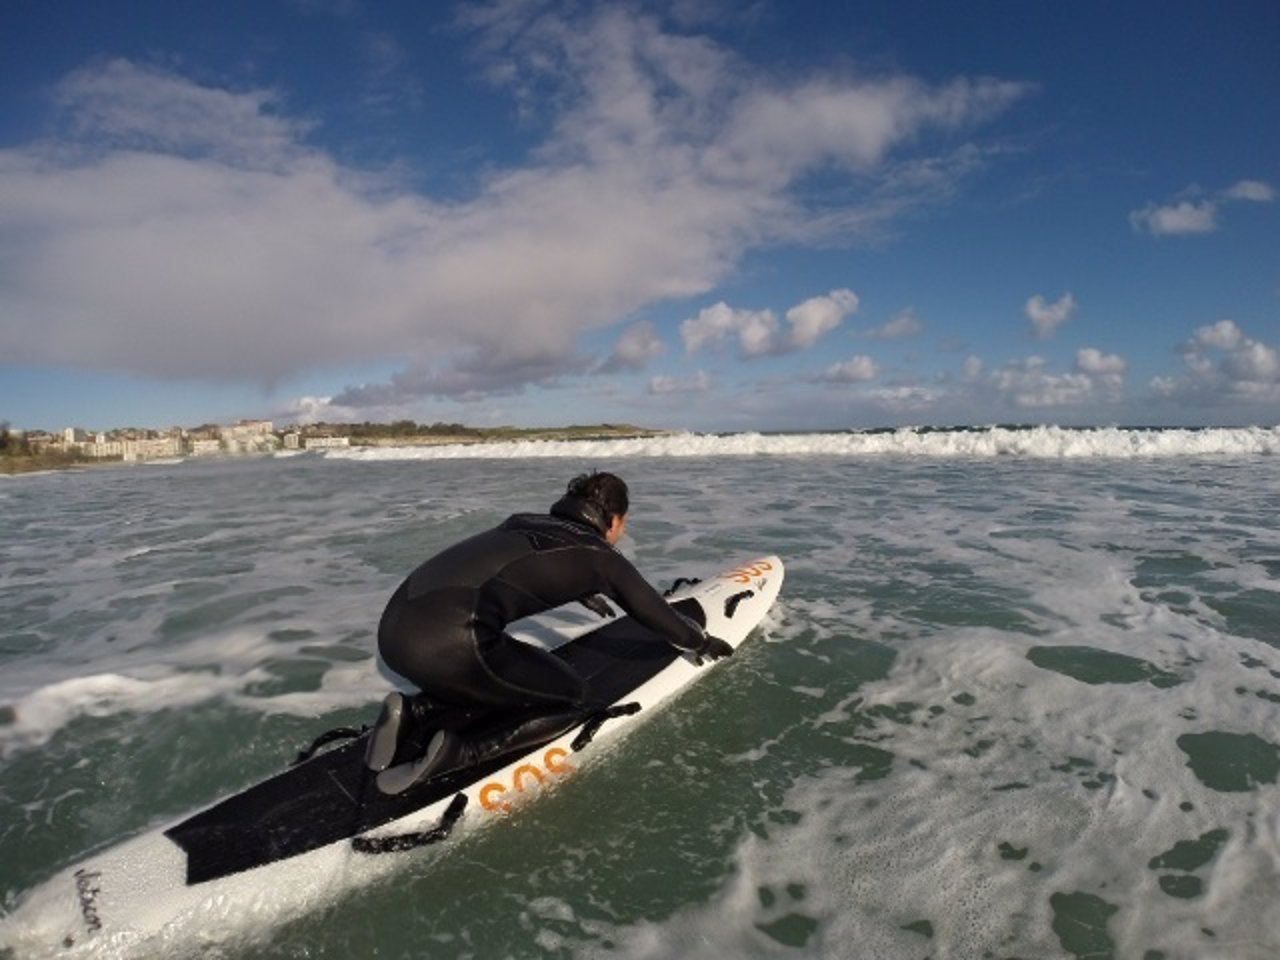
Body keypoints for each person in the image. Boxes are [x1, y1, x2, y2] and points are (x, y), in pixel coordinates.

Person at [367, 470, 733, 794]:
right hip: (450, 646)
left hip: (395, 631)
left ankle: (416, 709)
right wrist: (699, 639)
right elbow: (653, 611)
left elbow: (523, 566)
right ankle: (459, 752)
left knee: (485, 662)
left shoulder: (522, 522)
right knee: (570, 698)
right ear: (615, 520)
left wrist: (584, 586)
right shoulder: (599, 555)